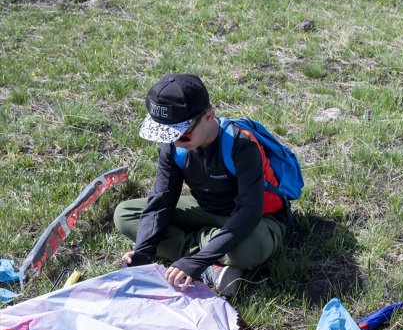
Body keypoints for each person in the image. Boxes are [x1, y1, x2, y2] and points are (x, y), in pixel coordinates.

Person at [114, 73, 288, 297]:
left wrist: (196, 261)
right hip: (206, 210)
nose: (175, 141)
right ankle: (213, 261)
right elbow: (161, 201)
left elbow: (250, 212)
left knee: (249, 249)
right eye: (167, 134)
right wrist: (143, 251)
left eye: (182, 135)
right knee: (125, 214)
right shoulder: (173, 146)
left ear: (208, 116)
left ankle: (203, 252)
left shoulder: (241, 145)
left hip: (257, 220)